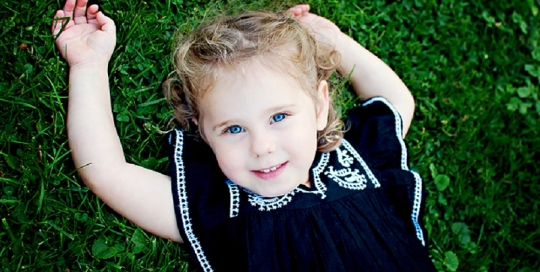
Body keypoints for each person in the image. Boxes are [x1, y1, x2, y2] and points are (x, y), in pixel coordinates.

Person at [52, 0, 436, 270]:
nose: (262, 147)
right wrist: (87, 64)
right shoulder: (219, 206)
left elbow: (396, 101)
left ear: (319, 108)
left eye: (280, 116)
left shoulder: (355, 162)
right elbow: (106, 172)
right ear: (203, 132)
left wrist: (332, 40)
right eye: (234, 128)